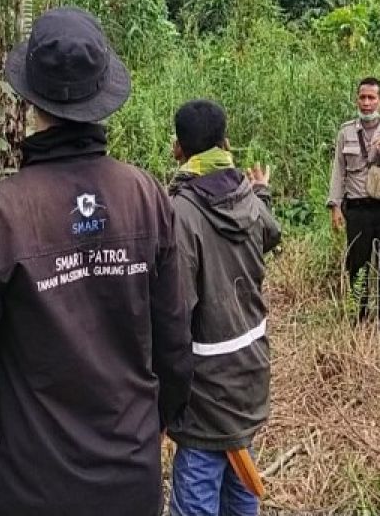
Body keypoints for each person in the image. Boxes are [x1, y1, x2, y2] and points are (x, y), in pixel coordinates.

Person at [0, 7, 193, 516]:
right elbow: (175, 345)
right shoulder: (147, 196)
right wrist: (157, 419)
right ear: (104, 95)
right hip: (129, 481)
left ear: (29, 98)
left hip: (27, 486)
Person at [166, 100, 282, 516]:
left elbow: (175, 309)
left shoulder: (181, 211)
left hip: (205, 388)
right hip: (250, 370)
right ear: (226, 143)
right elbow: (270, 232)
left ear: (179, 150)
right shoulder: (246, 196)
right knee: (239, 482)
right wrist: (261, 191)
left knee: (199, 482)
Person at [327, 77, 380, 334]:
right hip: (357, 209)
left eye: (371, 98)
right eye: (362, 98)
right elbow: (338, 170)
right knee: (358, 264)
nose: (366, 103)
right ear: (357, 99)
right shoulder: (346, 132)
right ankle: (359, 319)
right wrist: (334, 206)